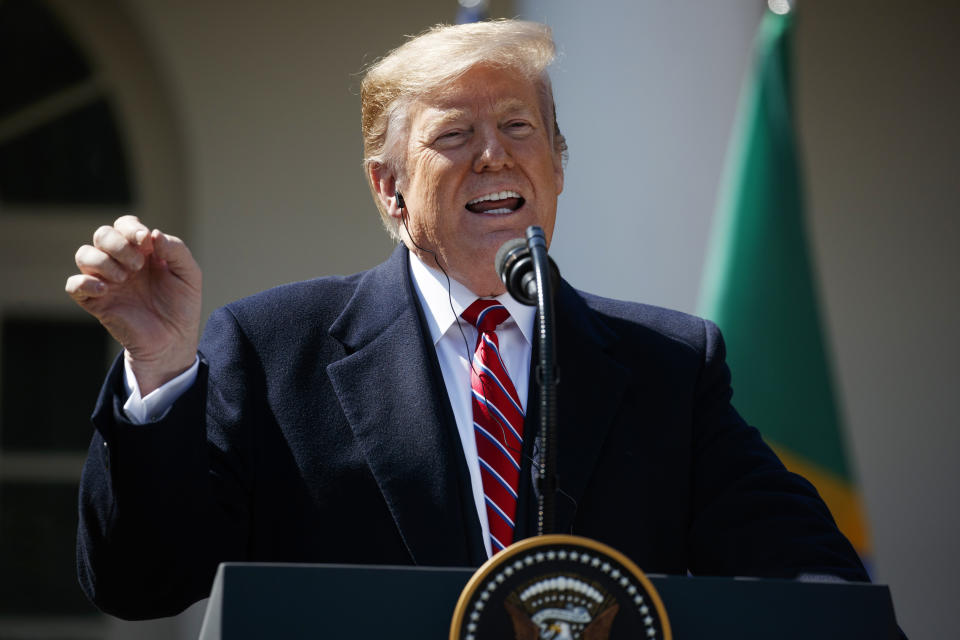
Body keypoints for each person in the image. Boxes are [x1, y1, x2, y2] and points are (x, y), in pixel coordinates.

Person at [66, 20, 868, 621]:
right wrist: (164, 371)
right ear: (390, 190)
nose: (494, 155)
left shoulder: (670, 365)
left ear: (557, 162)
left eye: (519, 127)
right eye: (455, 134)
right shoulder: (276, 351)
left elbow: (805, 575)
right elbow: (142, 584)